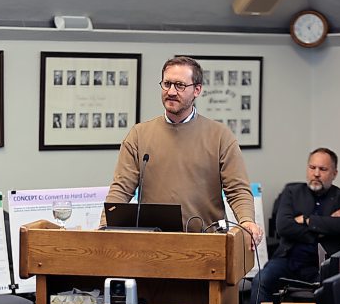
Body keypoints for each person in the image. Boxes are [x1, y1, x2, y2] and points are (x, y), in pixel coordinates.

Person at [100, 56, 262, 243]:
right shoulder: (139, 135)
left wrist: (247, 221)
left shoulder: (220, 136)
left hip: (206, 245)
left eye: (180, 85)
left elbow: (237, 189)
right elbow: (121, 188)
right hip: (152, 245)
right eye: (167, 83)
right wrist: (105, 225)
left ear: (197, 90)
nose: (171, 91)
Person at [250, 147, 340, 304]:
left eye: (322, 169)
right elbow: (283, 227)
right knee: (260, 281)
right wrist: (323, 228)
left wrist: (307, 220)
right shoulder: (292, 191)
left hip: (320, 264)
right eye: (312, 167)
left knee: (332, 291)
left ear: (334, 173)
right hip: (287, 258)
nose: (316, 173)